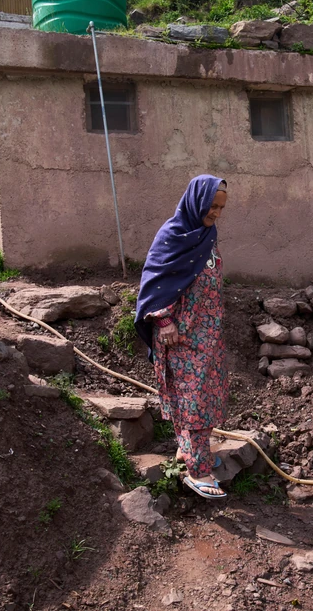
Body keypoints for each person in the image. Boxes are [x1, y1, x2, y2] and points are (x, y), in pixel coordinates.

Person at [134, 175, 229, 499]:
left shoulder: (208, 235)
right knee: (192, 405)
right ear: (196, 201)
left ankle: (189, 453)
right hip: (180, 335)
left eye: (220, 207)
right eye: (212, 206)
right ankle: (198, 472)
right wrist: (163, 321)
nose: (216, 212)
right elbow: (154, 283)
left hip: (208, 335)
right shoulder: (173, 236)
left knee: (208, 400)